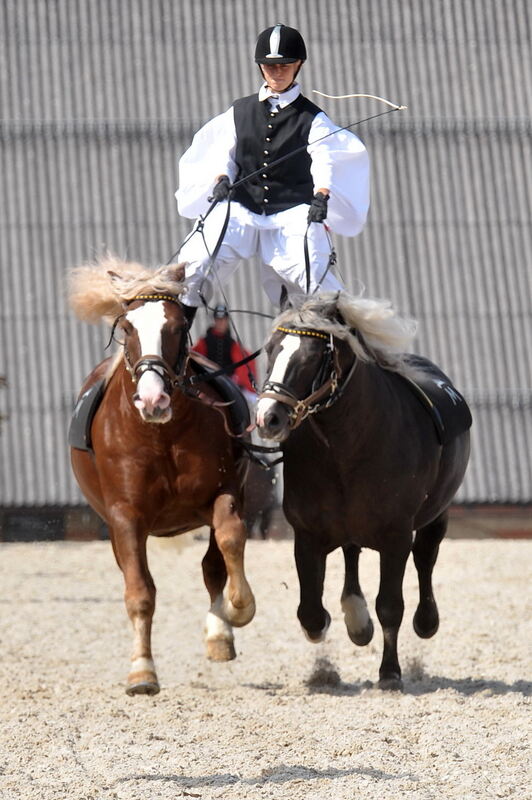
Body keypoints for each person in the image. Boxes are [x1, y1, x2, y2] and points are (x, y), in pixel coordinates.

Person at [175, 23, 370, 325]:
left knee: (312, 270)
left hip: (291, 211)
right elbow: (221, 152)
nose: (277, 73)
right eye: (270, 66)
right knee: (199, 257)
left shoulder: (313, 119)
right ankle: (177, 329)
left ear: (298, 66)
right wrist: (221, 178)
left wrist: (322, 194)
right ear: (261, 68)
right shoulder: (239, 112)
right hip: (242, 206)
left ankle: (346, 336)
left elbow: (324, 159)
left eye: (284, 66)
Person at [192, 304, 258, 405]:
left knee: (250, 402)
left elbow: (244, 362)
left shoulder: (233, 344)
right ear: (214, 320)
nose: (221, 323)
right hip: (209, 383)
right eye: (218, 320)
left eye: (223, 319)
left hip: (230, 382)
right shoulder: (203, 342)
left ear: (227, 321)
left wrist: (238, 379)